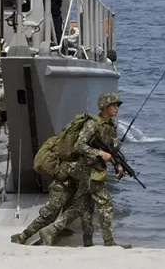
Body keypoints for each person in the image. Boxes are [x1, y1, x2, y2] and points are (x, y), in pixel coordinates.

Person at [37, 92, 130, 248]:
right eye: (114, 105)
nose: (117, 108)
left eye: (117, 105)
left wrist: (119, 165)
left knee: (82, 207)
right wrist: (99, 153)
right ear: (105, 107)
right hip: (86, 169)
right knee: (105, 202)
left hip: (95, 169)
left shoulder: (110, 127)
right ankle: (109, 243)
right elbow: (79, 145)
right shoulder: (92, 124)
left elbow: (111, 152)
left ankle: (56, 232)